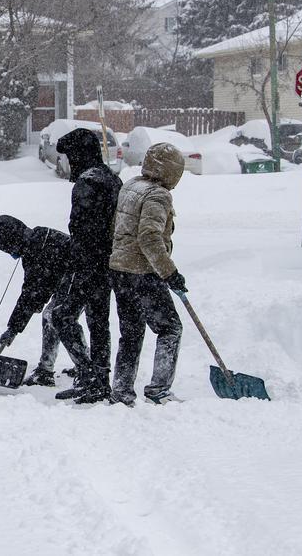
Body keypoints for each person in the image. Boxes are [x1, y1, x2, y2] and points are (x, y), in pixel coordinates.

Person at [108, 143, 187, 406]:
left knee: (131, 333)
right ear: (172, 171)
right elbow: (150, 237)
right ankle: (159, 389)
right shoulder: (158, 195)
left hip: (120, 270)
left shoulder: (131, 186)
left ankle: (121, 391)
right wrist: (170, 273)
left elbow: (118, 226)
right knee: (170, 328)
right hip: (143, 273)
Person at [49, 128, 122, 404]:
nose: (68, 163)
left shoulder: (87, 183)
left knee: (62, 316)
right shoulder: (112, 178)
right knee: (98, 320)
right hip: (109, 262)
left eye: (69, 156)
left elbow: (81, 229)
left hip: (89, 263)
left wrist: (77, 263)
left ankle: (89, 374)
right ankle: (99, 379)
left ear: (79, 155)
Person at [0, 215, 85, 386]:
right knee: (52, 316)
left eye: (11, 251)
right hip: (73, 280)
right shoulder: (35, 241)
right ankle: (49, 369)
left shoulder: (38, 249)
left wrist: (13, 329)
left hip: (82, 279)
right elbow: (35, 292)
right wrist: (14, 327)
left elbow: (32, 294)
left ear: (16, 242)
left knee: (55, 316)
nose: (13, 255)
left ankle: (85, 369)